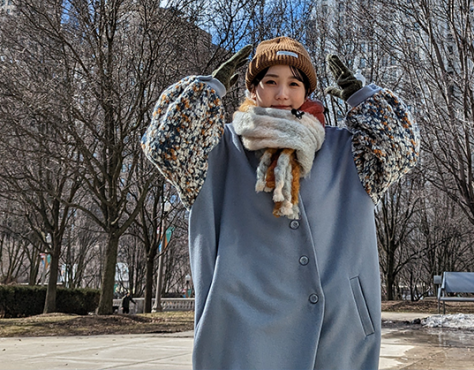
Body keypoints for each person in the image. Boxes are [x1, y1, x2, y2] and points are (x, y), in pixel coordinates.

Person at [141, 37, 419, 370]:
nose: (282, 93)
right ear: (253, 90)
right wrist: (207, 89)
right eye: (270, 81)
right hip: (239, 333)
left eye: (294, 83)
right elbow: (164, 144)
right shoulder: (217, 150)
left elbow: (402, 149)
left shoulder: (349, 152)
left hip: (336, 332)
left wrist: (361, 97)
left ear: (306, 92)